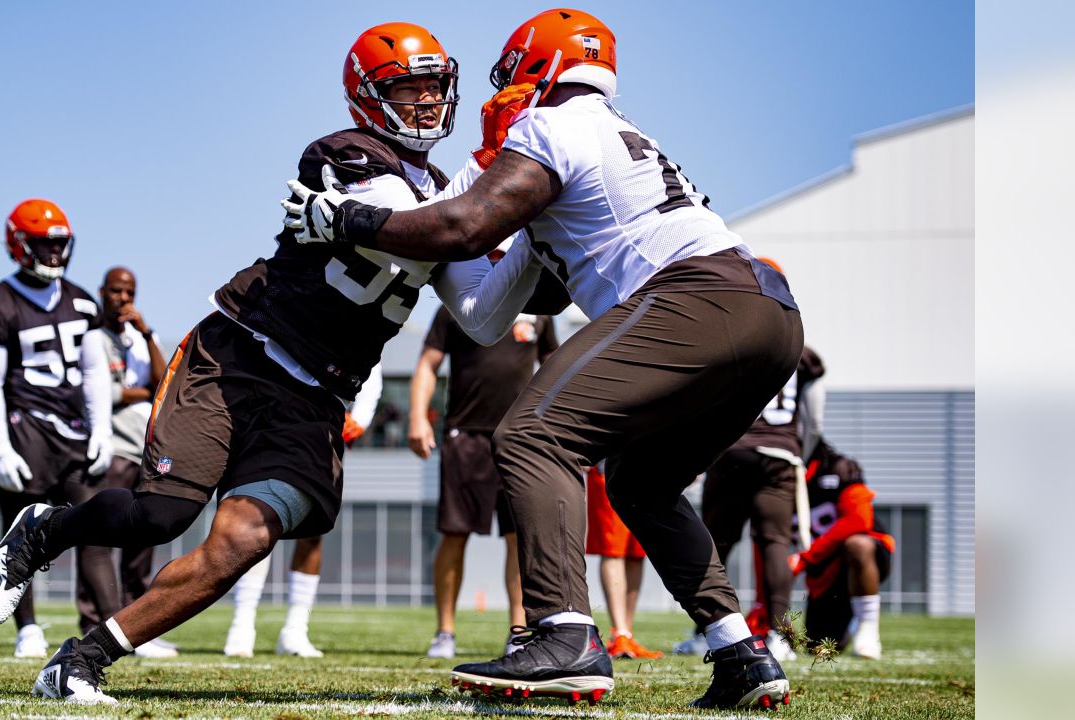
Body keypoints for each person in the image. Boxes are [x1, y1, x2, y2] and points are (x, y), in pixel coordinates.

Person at [0, 23, 545, 705]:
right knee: (159, 516)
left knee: (243, 540)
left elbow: (481, 315)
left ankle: (79, 662)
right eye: (407, 87)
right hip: (241, 355)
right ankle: (46, 528)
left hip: (316, 397)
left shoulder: (449, 199)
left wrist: (535, 238)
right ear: (369, 97)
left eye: (434, 86)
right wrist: (501, 184)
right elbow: (430, 231)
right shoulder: (348, 155)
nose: (426, 102)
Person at [285, 8, 803, 709]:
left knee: (532, 434)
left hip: (698, 295)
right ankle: (740, 651)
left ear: (534, 66)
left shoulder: (553, 122)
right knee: (640, 483)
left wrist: (347, 220)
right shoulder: (614, 133)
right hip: (765, 313)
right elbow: (488, 313)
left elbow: (464, 227)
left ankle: (565, 634)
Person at [0, 198, 112, 659]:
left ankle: (112, 622)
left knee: (95, 524)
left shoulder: (82, 300)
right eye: (42, 244)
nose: (53, 253)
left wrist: (102, 429)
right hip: (24, 429)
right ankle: (26, 626)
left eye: (59, 244)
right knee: (21, 534)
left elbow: (94, 373)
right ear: (18, 244)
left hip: (72, 431)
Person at [410, 289, 557, 658]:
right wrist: (416, 417)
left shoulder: (539, 306)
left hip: (521, 439)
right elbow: (428, 364)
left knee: (518, 538)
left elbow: (555, 367)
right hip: (465, 437)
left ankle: (519, 632)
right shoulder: (457, 304)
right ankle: (444, 633)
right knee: (454, 534)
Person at [674, 334, 825, 662]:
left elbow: (703, 402)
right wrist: (796, 453)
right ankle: (780, 636)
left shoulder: (733, 339)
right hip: (778, 455)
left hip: (731, 452)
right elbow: (815, 419)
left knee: (715, 546)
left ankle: (707, 632)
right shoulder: (800, 352)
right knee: (775, 544)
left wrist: (698, 454)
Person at [223, 367, 382, 659]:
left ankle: (295, 629)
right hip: (274, 419)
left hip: (324, 427)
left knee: (313, 527)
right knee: (258, 518)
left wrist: (361, 417)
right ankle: (242, 623)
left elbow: (373, 362)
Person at [86, 266, 177, 658]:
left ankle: (138, 625)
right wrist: (136, 393)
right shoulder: (92, 338)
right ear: (102, 292)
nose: (123, 299)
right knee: (100, 536)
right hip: (113, 446)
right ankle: (93, 623)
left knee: (142, 536)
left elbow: (163, 383)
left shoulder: (141, 338)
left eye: (130, 292)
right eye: (116, 291)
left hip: (144, 446)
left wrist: (146, 333)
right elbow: (103, 393)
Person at [790, 440, 894, 659]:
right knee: (819, 648)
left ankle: (867, 628)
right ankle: (851, 622)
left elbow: (859, 520)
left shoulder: (838, 468)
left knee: (858, 544)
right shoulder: (771, 478)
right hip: (823, 572)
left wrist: (807, 557)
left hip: (858, 559)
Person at [584, 463, 663, 660]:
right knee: (613, 550)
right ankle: (619, 633)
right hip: (609, 465)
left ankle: (626, 633)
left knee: (637, 552)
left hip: (648, 469)